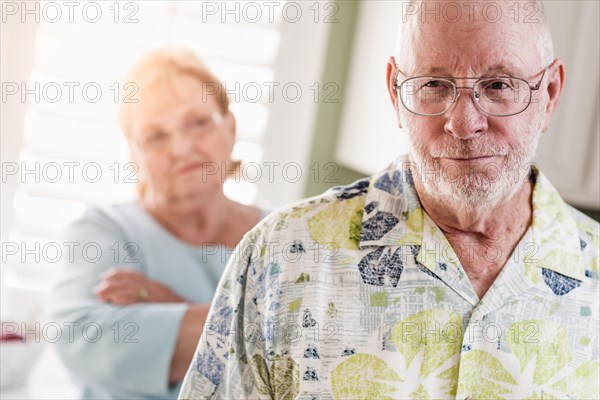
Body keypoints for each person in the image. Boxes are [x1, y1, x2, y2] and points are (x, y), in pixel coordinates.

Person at [179, 2, 599, 399]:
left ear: (550, 93)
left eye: (498, 85)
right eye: (434, 85)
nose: (464, 123)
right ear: (396, 93)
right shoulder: (279, 256)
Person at [46, 49, 266, 399]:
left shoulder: (282, 236)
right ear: (136, 156)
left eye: (198, 122)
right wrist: (255, 329)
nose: (180, 148)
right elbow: (81, 338)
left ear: (231, 127)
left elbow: (310, 358)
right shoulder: (105, 231)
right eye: (155, 136)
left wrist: (171, 310)